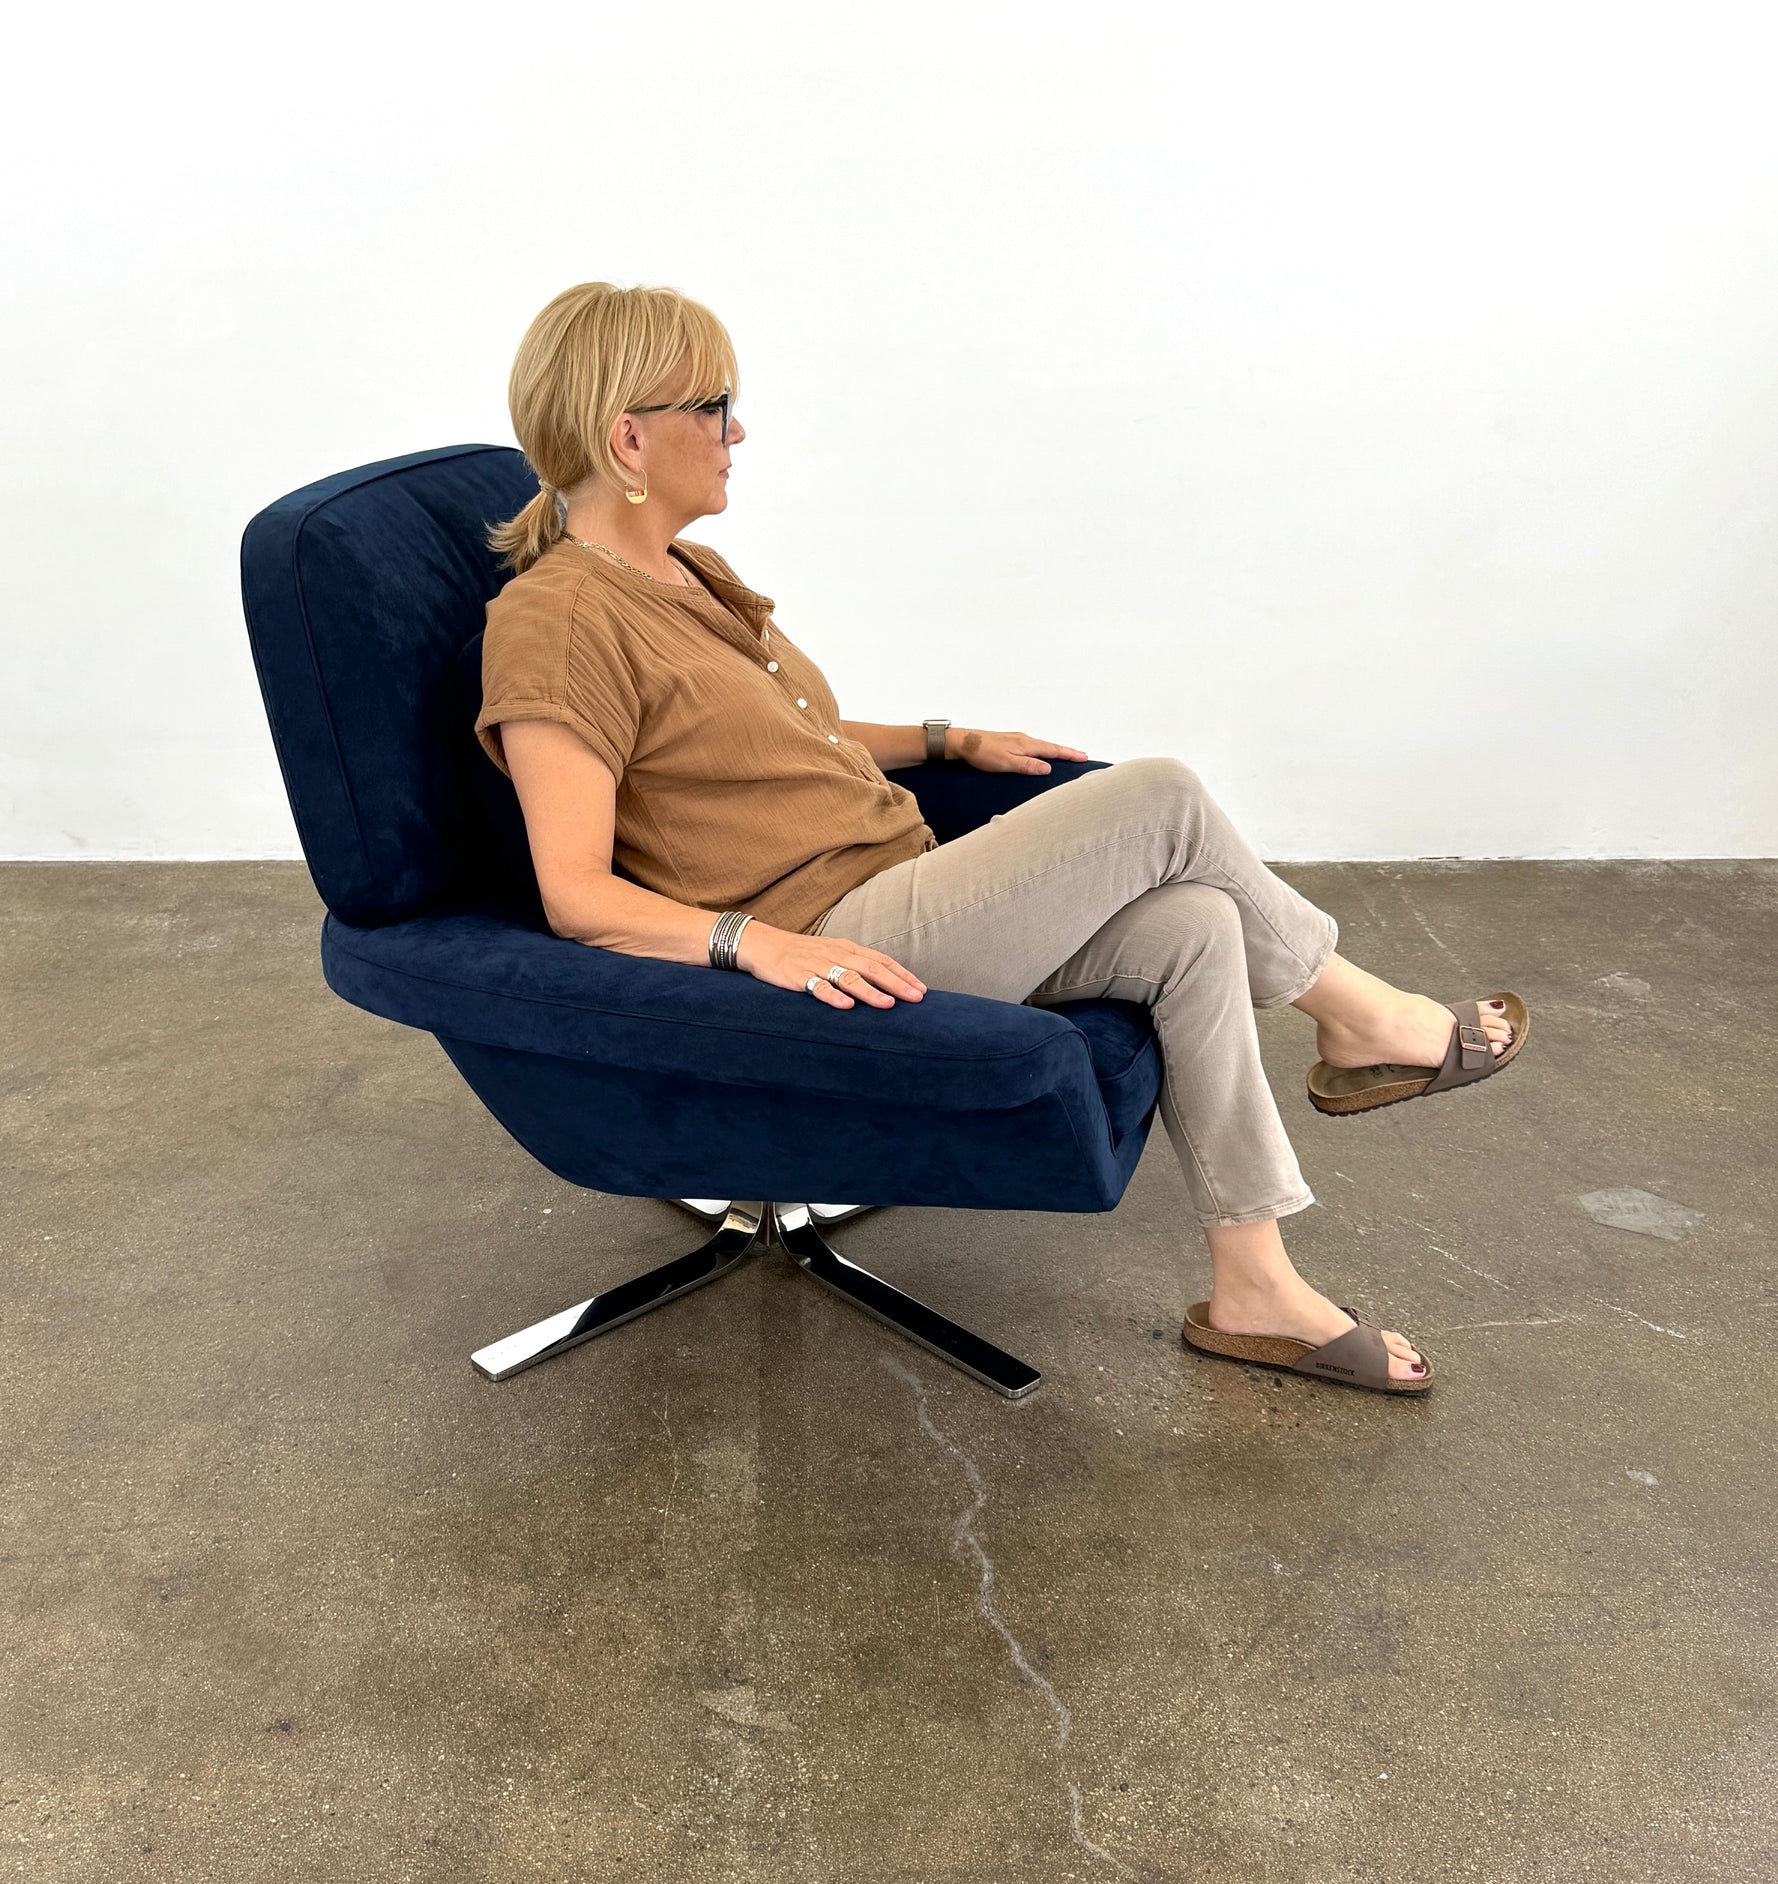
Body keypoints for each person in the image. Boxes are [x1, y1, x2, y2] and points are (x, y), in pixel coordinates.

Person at [474, 282, 1529, 1396]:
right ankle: (1368, 1021)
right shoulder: (560, 620)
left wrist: (948, 738)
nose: (739, 432)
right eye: (715, 406)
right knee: (1160, 795)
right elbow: (575, 893)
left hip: (902, 878)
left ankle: (1254, 1283)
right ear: (628, 438)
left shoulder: (687, 572)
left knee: (1193, 922)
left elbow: (785, 740)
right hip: (826, 940)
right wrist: (760, 944)